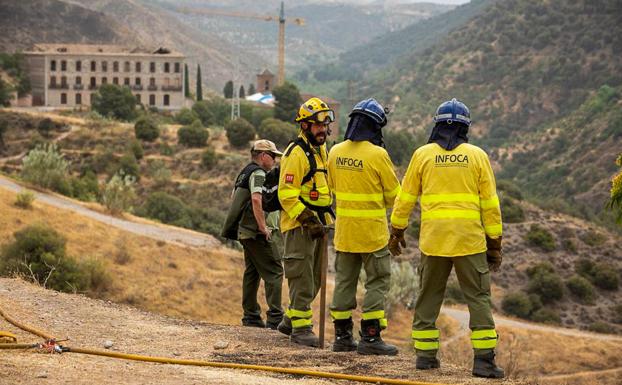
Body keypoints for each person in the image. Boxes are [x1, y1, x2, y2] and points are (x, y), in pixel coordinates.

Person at [389, 98, 504, 378]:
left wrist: (397, 230)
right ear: (466, 127)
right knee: (477, 298)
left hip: (434, 241)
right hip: (470, 242)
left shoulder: (423, 155)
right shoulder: (477, 156)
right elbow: (491, 205)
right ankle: (484, 363)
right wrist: (495, 244)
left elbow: (405, 198)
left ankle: (426, 358)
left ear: (436, 125)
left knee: (428, 297)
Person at [327, 98, 400, 355]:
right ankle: (370, 338)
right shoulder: (378, 155)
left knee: (345, 281)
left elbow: (332, 187)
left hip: (345, 232)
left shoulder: (335, 152)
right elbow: (394, 196)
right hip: (372, 234)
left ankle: (342, 337)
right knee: (377, 281)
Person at [276, 97, 334, 347]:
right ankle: (300, 329)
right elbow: (286, 193)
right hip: (300, 226)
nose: (322, 130)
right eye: (316, 125)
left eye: (324, 125)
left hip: (319, 226)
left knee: (317, 280)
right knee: (301, 277)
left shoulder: (321, 150)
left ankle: (290, 319)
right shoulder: (295, 153)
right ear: (305, 126)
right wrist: (307, 218)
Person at [221, 139, 284, 330]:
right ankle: (275, 318)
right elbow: (257, 200)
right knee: (275, 271)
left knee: (252, 272)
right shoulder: (258, 173)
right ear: (264, 156)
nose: (275, 161)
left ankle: (250, 316)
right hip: (255, 232)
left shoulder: (244, 172)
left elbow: (234, 199)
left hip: (244, 231)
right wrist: (263, 227)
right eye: (273, 156)